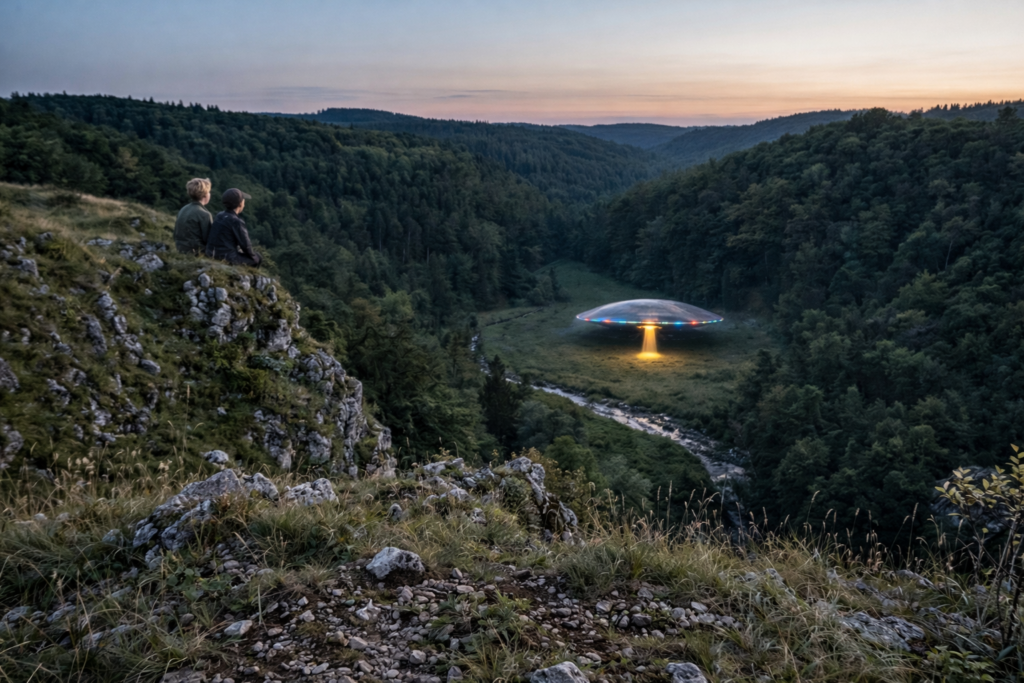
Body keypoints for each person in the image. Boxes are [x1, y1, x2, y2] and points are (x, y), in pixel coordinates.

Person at [205, 188, 262, 267]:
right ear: (240, 204)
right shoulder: (236, 221)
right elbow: (246, 245)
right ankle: (246, 277)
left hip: (211, 254)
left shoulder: (219, 215)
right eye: (243, 200)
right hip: (227, 257)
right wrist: (254, 257)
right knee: (257, 258)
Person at [173, 177, 213, 254]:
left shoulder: (183, 209)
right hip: (197, 251)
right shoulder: (205, 214)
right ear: (205, 195)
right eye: (209, 192)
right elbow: (208, 240)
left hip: (180, 248)